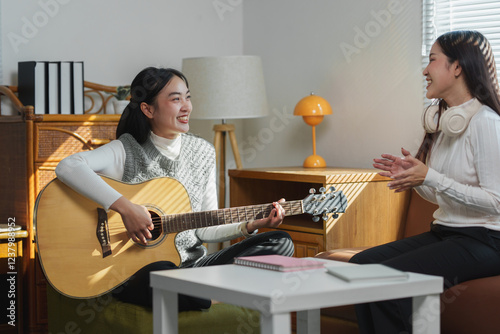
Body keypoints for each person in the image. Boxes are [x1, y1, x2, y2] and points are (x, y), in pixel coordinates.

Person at [55, 67, 294, 310]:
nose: (186, 106)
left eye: (188, 97)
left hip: (193, 269)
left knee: (280, 242)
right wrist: (126, 208)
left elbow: (205, 229)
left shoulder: (203, 153)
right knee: (161, 273)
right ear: (148, 109)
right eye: (175, 99)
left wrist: (251, 225)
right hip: (138, 271)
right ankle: (214, 295)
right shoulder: (125, 150)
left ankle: (202, 296)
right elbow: (68, 166)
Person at [350, 30, 500, 333]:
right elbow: (447, 196)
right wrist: (414, 178)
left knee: (388, 276)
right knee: (362, 265)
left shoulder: (486, 123)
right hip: (446, 233)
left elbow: (496, 202)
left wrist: (430, 176)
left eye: (432, 60)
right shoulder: (446, 124)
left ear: (457, 67)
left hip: (488, 241)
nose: (424, 70)